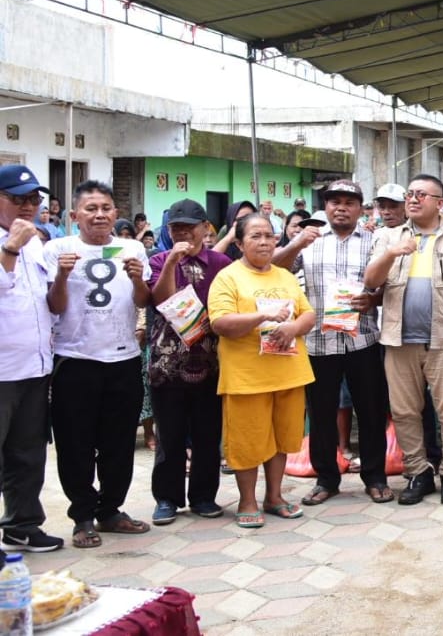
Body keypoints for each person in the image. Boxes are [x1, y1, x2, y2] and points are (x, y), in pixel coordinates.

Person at [46, 180, 154, 548]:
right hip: (75, 360)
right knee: (75, 443)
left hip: (123, 358)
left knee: (119, 442)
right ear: (74, 215)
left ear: (115, 213)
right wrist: (61, 274)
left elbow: (143, 300)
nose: (99, 215)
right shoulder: (57, 249)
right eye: (90, 209)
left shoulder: (132, 247)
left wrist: (138, 279)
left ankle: (111, 510)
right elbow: (55, 306)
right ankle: (83, 516)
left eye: (106, 208)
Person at [366, 175, 443, 505]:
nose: (413, 200)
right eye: (410, 194)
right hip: (398, 341)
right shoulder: (388, 237)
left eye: (421, 195)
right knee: (404, 412)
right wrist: (392, 254)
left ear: (440, 202)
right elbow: (371, 281)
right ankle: (418, 473)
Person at [275, 181, 391, 505]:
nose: (341, 207)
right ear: (325, 207)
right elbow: (275, 269)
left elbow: (386, 285)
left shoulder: (373, 241)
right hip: (318, 343)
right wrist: (295, 242)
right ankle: (326, 478)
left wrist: (373, 300)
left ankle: (375, 476)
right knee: (321, 413)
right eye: (334, 202)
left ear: (360, 208)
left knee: (371, 412)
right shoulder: (309, 242)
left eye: (349, 202)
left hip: (363, 341)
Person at [208, 214, 316, 528]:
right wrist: (261, 316)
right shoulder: (228, 277)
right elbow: (220, 323)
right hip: (247, 377)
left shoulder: (283, 276)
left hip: (288, 372)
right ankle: (247, 500)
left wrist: (293, 327)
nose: (265, 242)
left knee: (283, 439)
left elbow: (308, 314)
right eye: (256, 236)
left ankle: (275, 496)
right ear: (239, 243)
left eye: (270, 235)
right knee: (247, 442)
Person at [147, 199, 233, 525]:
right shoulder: (156, 260)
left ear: (205, 228)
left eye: (189, 226)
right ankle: (167, 498)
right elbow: (161, 299)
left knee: (208, 435)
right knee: (169, 437)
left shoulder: (221, 263)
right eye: (175, 227)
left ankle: (204, 496)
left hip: (210, 362)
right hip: (167, 365)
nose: (182, 232)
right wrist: (171, 262)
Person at [0, 165, 63, 551]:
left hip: (35, 368)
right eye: (17, 199)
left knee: (28, 454)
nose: (27, 207)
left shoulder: (39, 243)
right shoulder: (16, 243)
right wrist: (9, 249)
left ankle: (22, 524)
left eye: (33, 200)